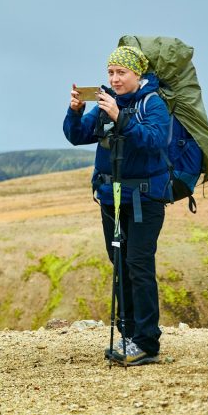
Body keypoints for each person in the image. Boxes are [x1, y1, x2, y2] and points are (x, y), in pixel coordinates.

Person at [64, 46, 169, 366]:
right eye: (111, 72)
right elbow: (77, 136)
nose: (114, 78)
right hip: (111, 198)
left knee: (139, 264)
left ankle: (146, 342)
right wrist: (77, 110)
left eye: (121, 72)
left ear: (138, 74)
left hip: (145, 199)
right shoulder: (106, 101)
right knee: (120, 263)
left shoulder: (154, 104)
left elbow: (154, 141)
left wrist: (119, 117)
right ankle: (129, 333)